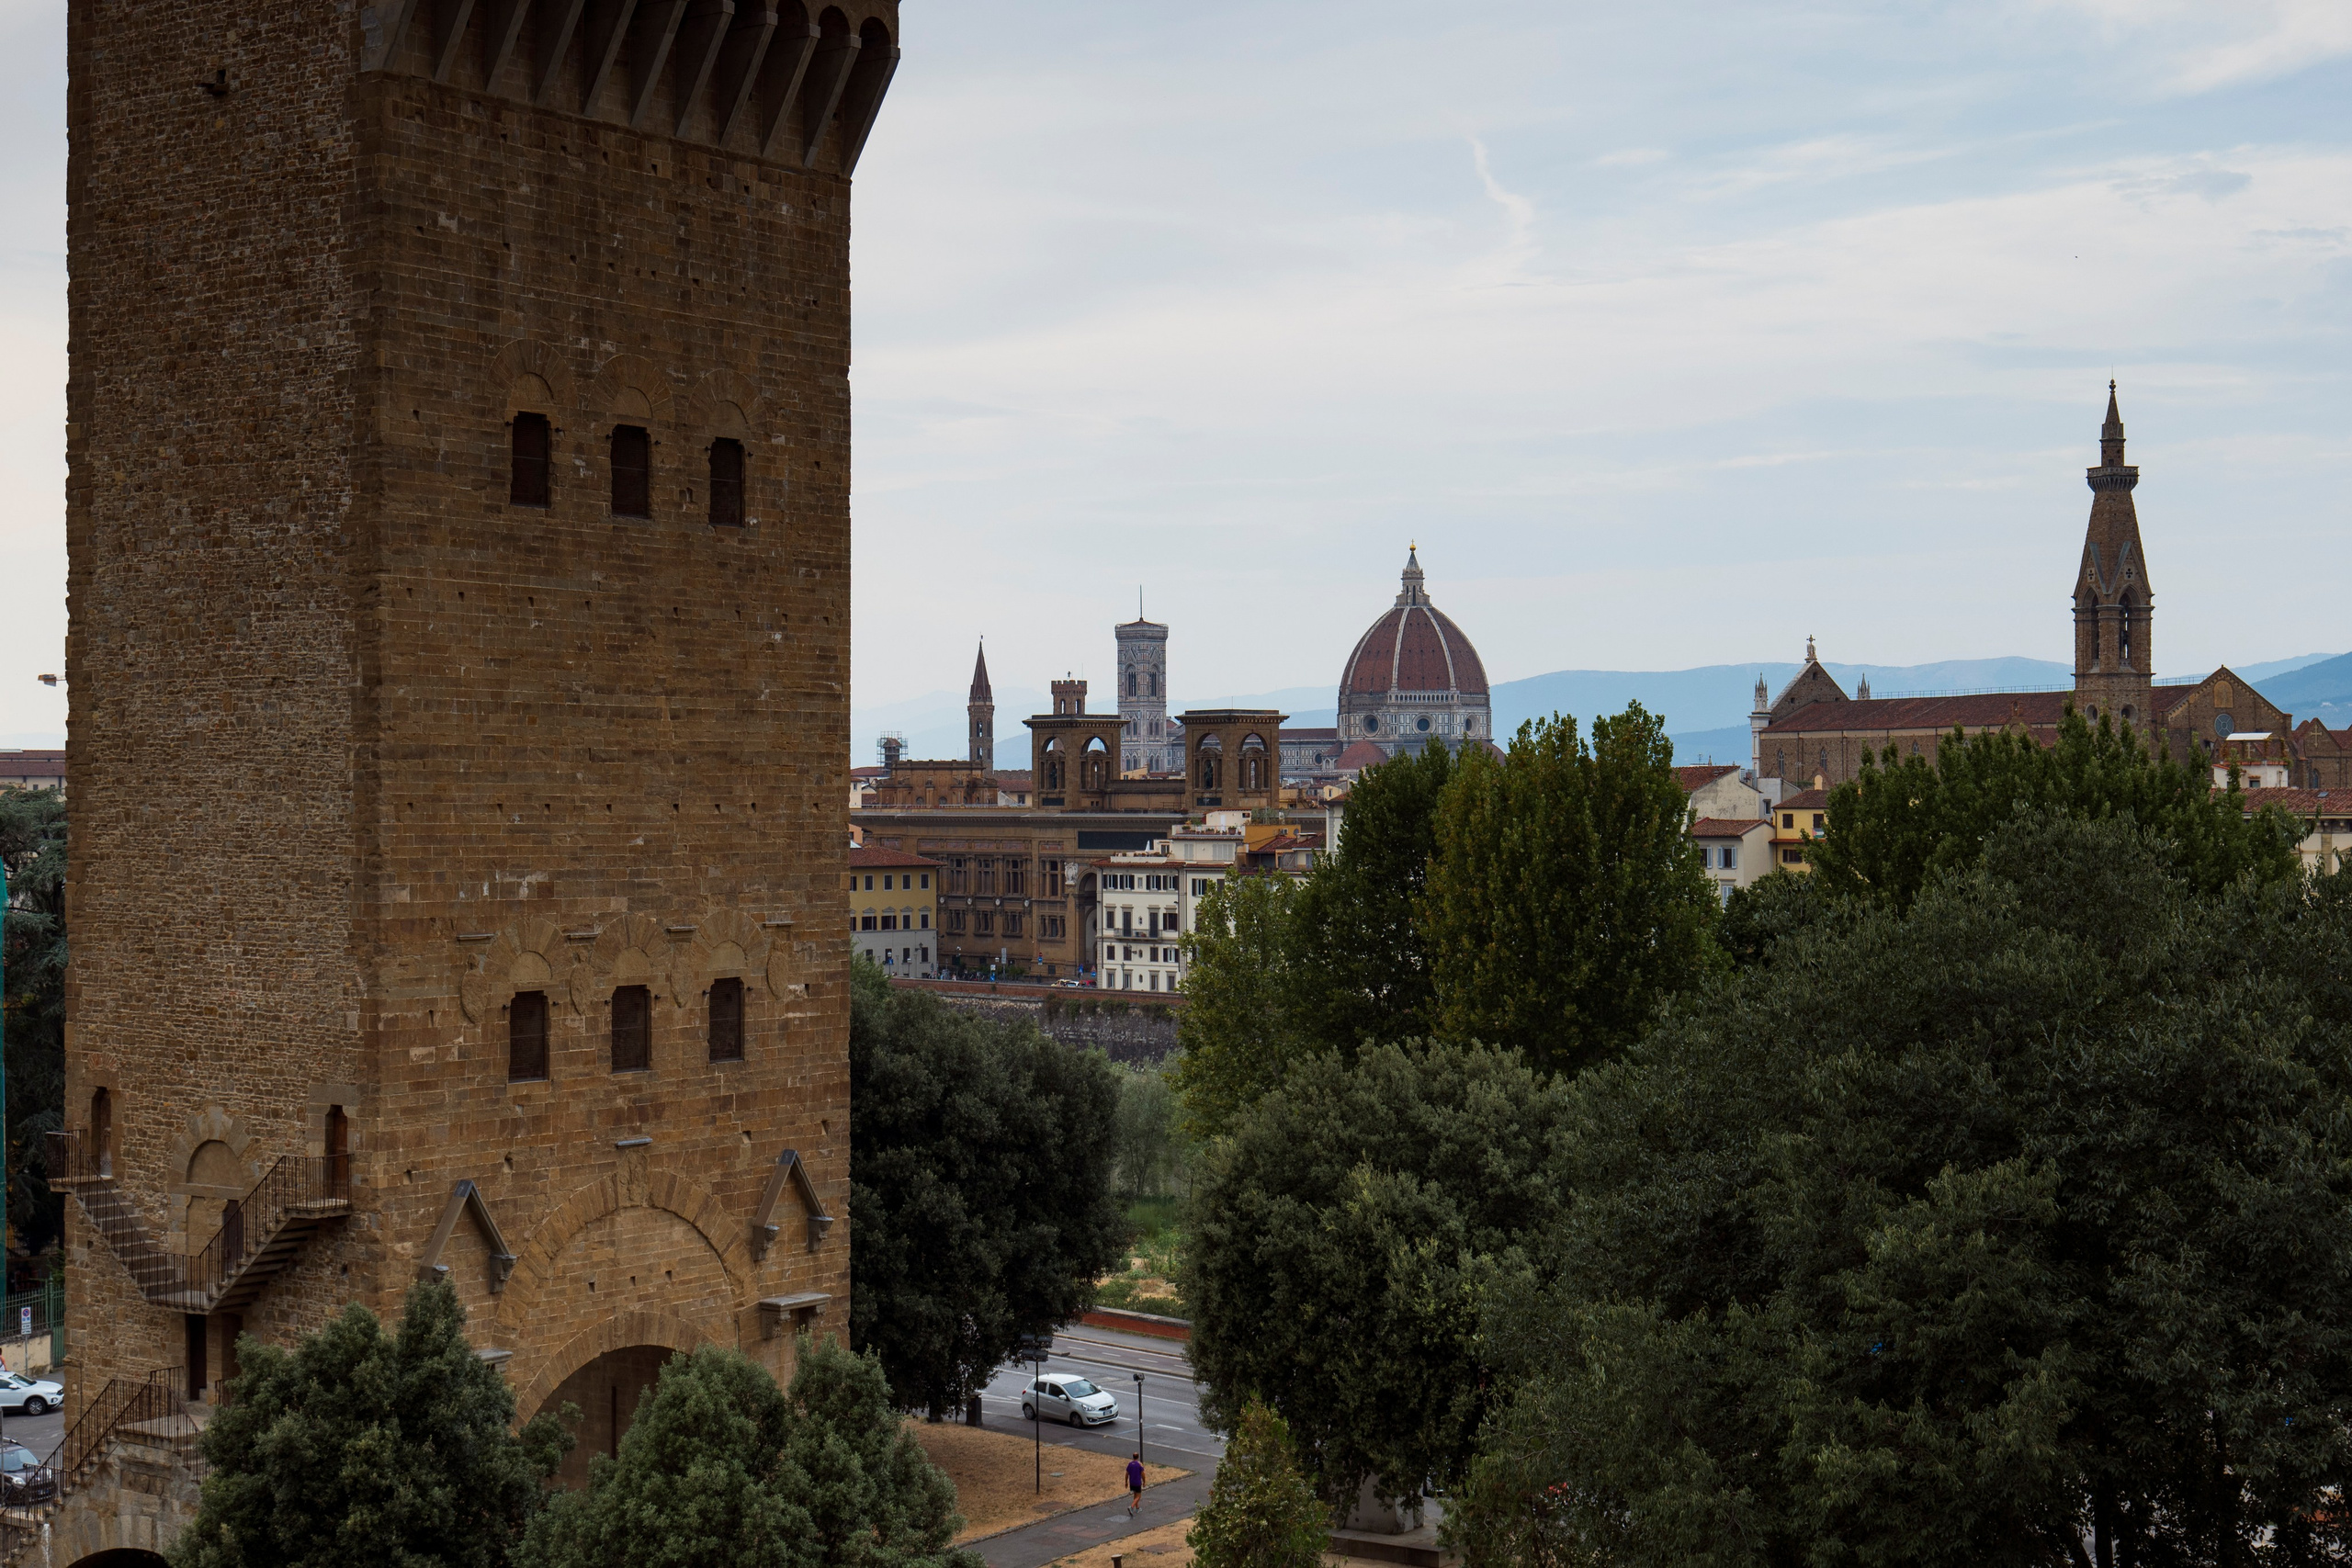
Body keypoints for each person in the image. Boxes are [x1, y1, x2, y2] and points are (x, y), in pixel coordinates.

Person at [1127, 1452, 1145, 1516]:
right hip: (1137, 1482)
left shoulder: (1130, 1464)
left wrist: (1126, 1482)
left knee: (1135, 1495)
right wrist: (1144, 1482)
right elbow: (1143, 1474)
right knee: (1139, 1496)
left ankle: (1137, 1508)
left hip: (1132, 1482)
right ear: (1138, 1457)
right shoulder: (1140, 1464)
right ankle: (1131, 1507)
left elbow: (1127, 1474)